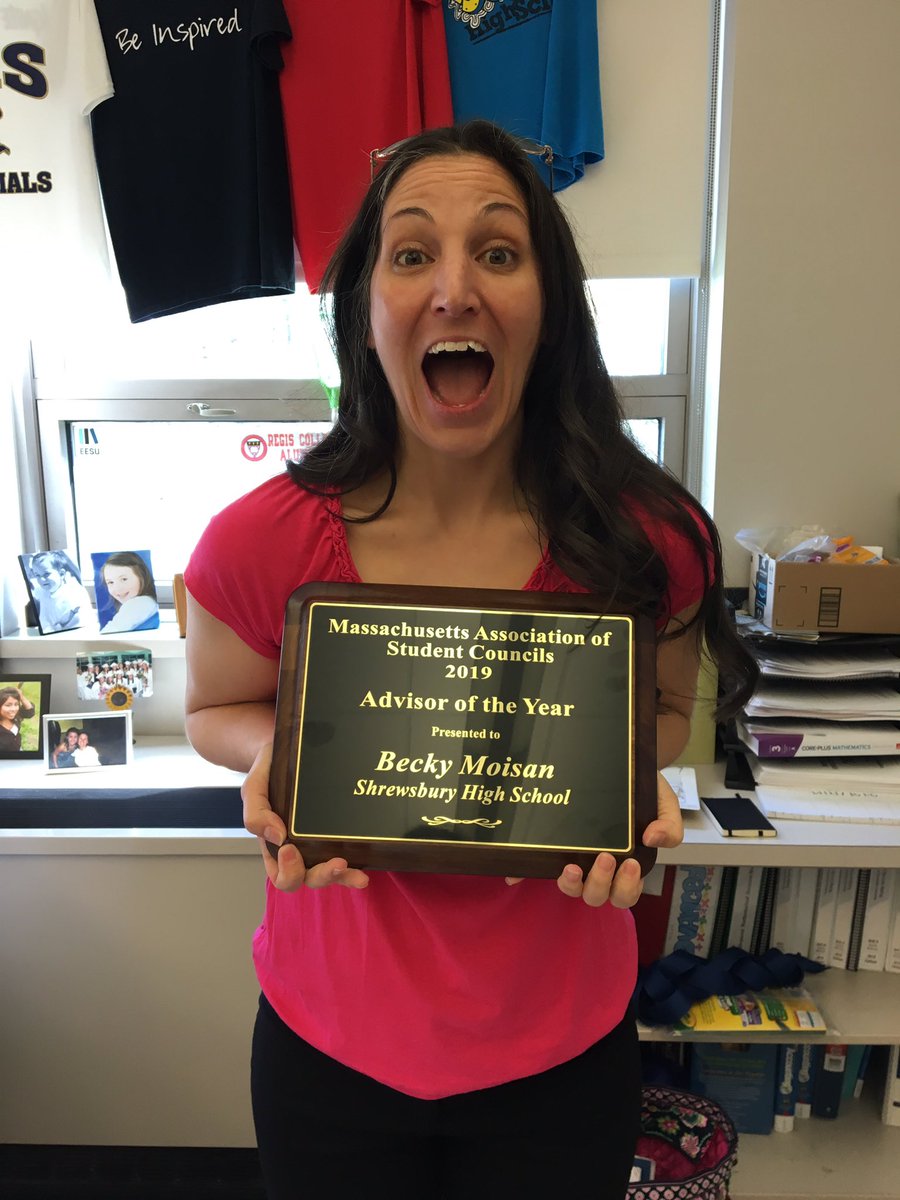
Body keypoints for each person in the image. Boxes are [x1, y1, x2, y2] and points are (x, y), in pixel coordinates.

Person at [183, 120, 758, 1197]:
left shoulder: (651, 540)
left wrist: (624, 778)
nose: (455, 291)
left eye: (498, 252)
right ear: (365, 310)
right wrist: (279, 757)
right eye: (412, 254)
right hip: (330, 1047)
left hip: (563, 1055)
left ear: (551, 307)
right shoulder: (257, 541)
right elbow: (215, 707)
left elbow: (668, 712)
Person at [28, 551, 93, 633]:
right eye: (37, 575)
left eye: (46, 574)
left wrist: (57, 628)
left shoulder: (72, 593)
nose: (41, 579)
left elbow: (79, 621)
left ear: (61, 574)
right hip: (49, 633)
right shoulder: (43, 591)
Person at [98, 551, 159, 633]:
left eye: (124, 579)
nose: (117, 588)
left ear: (141, 576)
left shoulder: (139, 603)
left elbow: (109, 631)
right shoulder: (148, 602)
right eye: (111, 582)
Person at [0, 686, 36, 754]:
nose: (13, 709)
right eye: (8, 705)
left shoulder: (16, 717)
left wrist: (21, 697)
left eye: (16, 704)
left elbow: (30, 712)